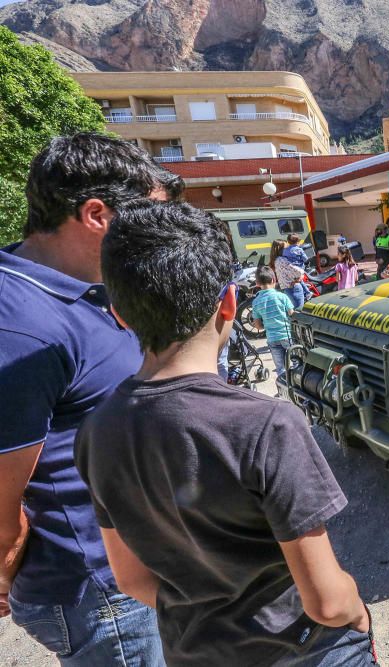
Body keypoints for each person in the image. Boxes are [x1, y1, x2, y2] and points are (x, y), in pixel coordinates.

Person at [76, 199, 375, 666]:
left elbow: (131, 579)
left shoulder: (95, 431)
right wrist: (357, 610)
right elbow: (327, 603)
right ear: (229, 303)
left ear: (119, 313)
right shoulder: (268, 425)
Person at [0, 133, 180, 664]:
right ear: (97, 214)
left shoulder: (78, 287)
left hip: (127, 570)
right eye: (147, 219)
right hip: (98, 591)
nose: (157, 237)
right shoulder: (21, 325)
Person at [252, 266, 295, 381]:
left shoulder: (256, 302)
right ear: (273, 280)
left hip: (272, 339)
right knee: (296, 363)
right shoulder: (282, 297)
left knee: (280, 368)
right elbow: (292, 314)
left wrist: (265, 326)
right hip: (287, 336)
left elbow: (257, 326)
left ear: (257, 283)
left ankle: (284, 387)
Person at [271, 238, 306, 309]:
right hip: (293, 288)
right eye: (286, 247)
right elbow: (299, 272)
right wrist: (301, 275)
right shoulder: (282, 260)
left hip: (287, 288)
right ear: (280, 249)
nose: (287, 250)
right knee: (298, 310)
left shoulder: (276, 260)